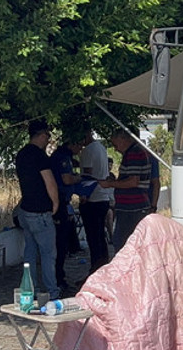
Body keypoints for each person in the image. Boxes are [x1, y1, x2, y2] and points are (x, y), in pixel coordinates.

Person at [15, 120, 61, 300]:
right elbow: (50, 182)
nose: (48, 139)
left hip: (25, 209)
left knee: (30, 252)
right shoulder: (40, 156)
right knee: (48, 254)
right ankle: (52, 291)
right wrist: (55, 202)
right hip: (40, 211)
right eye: (47, 136)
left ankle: (30, 289)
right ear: (41, 135)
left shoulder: (21, 154)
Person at [99, 129, 151, 251]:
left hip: (133, 208)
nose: (115, 149)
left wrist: (110, 184)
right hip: (130, 207)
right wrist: (115, 181)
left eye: (115, 144)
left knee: (123, 243)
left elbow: (133, 181)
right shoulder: (132, 152)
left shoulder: (134, 153)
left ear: (122, 139)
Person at [49, 135, 83, 294]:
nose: (80, 149)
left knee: (64, 243)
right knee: (60, 244)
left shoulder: (62, 156)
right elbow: (67, 179)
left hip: (63, 203)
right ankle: (58, 279)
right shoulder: (62, 158)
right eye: (79, 145)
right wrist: (79, 178)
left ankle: (59, 276)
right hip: (60, 204)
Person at [79, 129, 112, 273]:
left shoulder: (88, 151)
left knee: (93, 238)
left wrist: (84, 195)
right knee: (100, 235)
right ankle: (103, 265)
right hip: (103, 196)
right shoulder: (101, 148)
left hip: (93, 198)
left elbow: (87, 175)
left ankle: (95, 268)